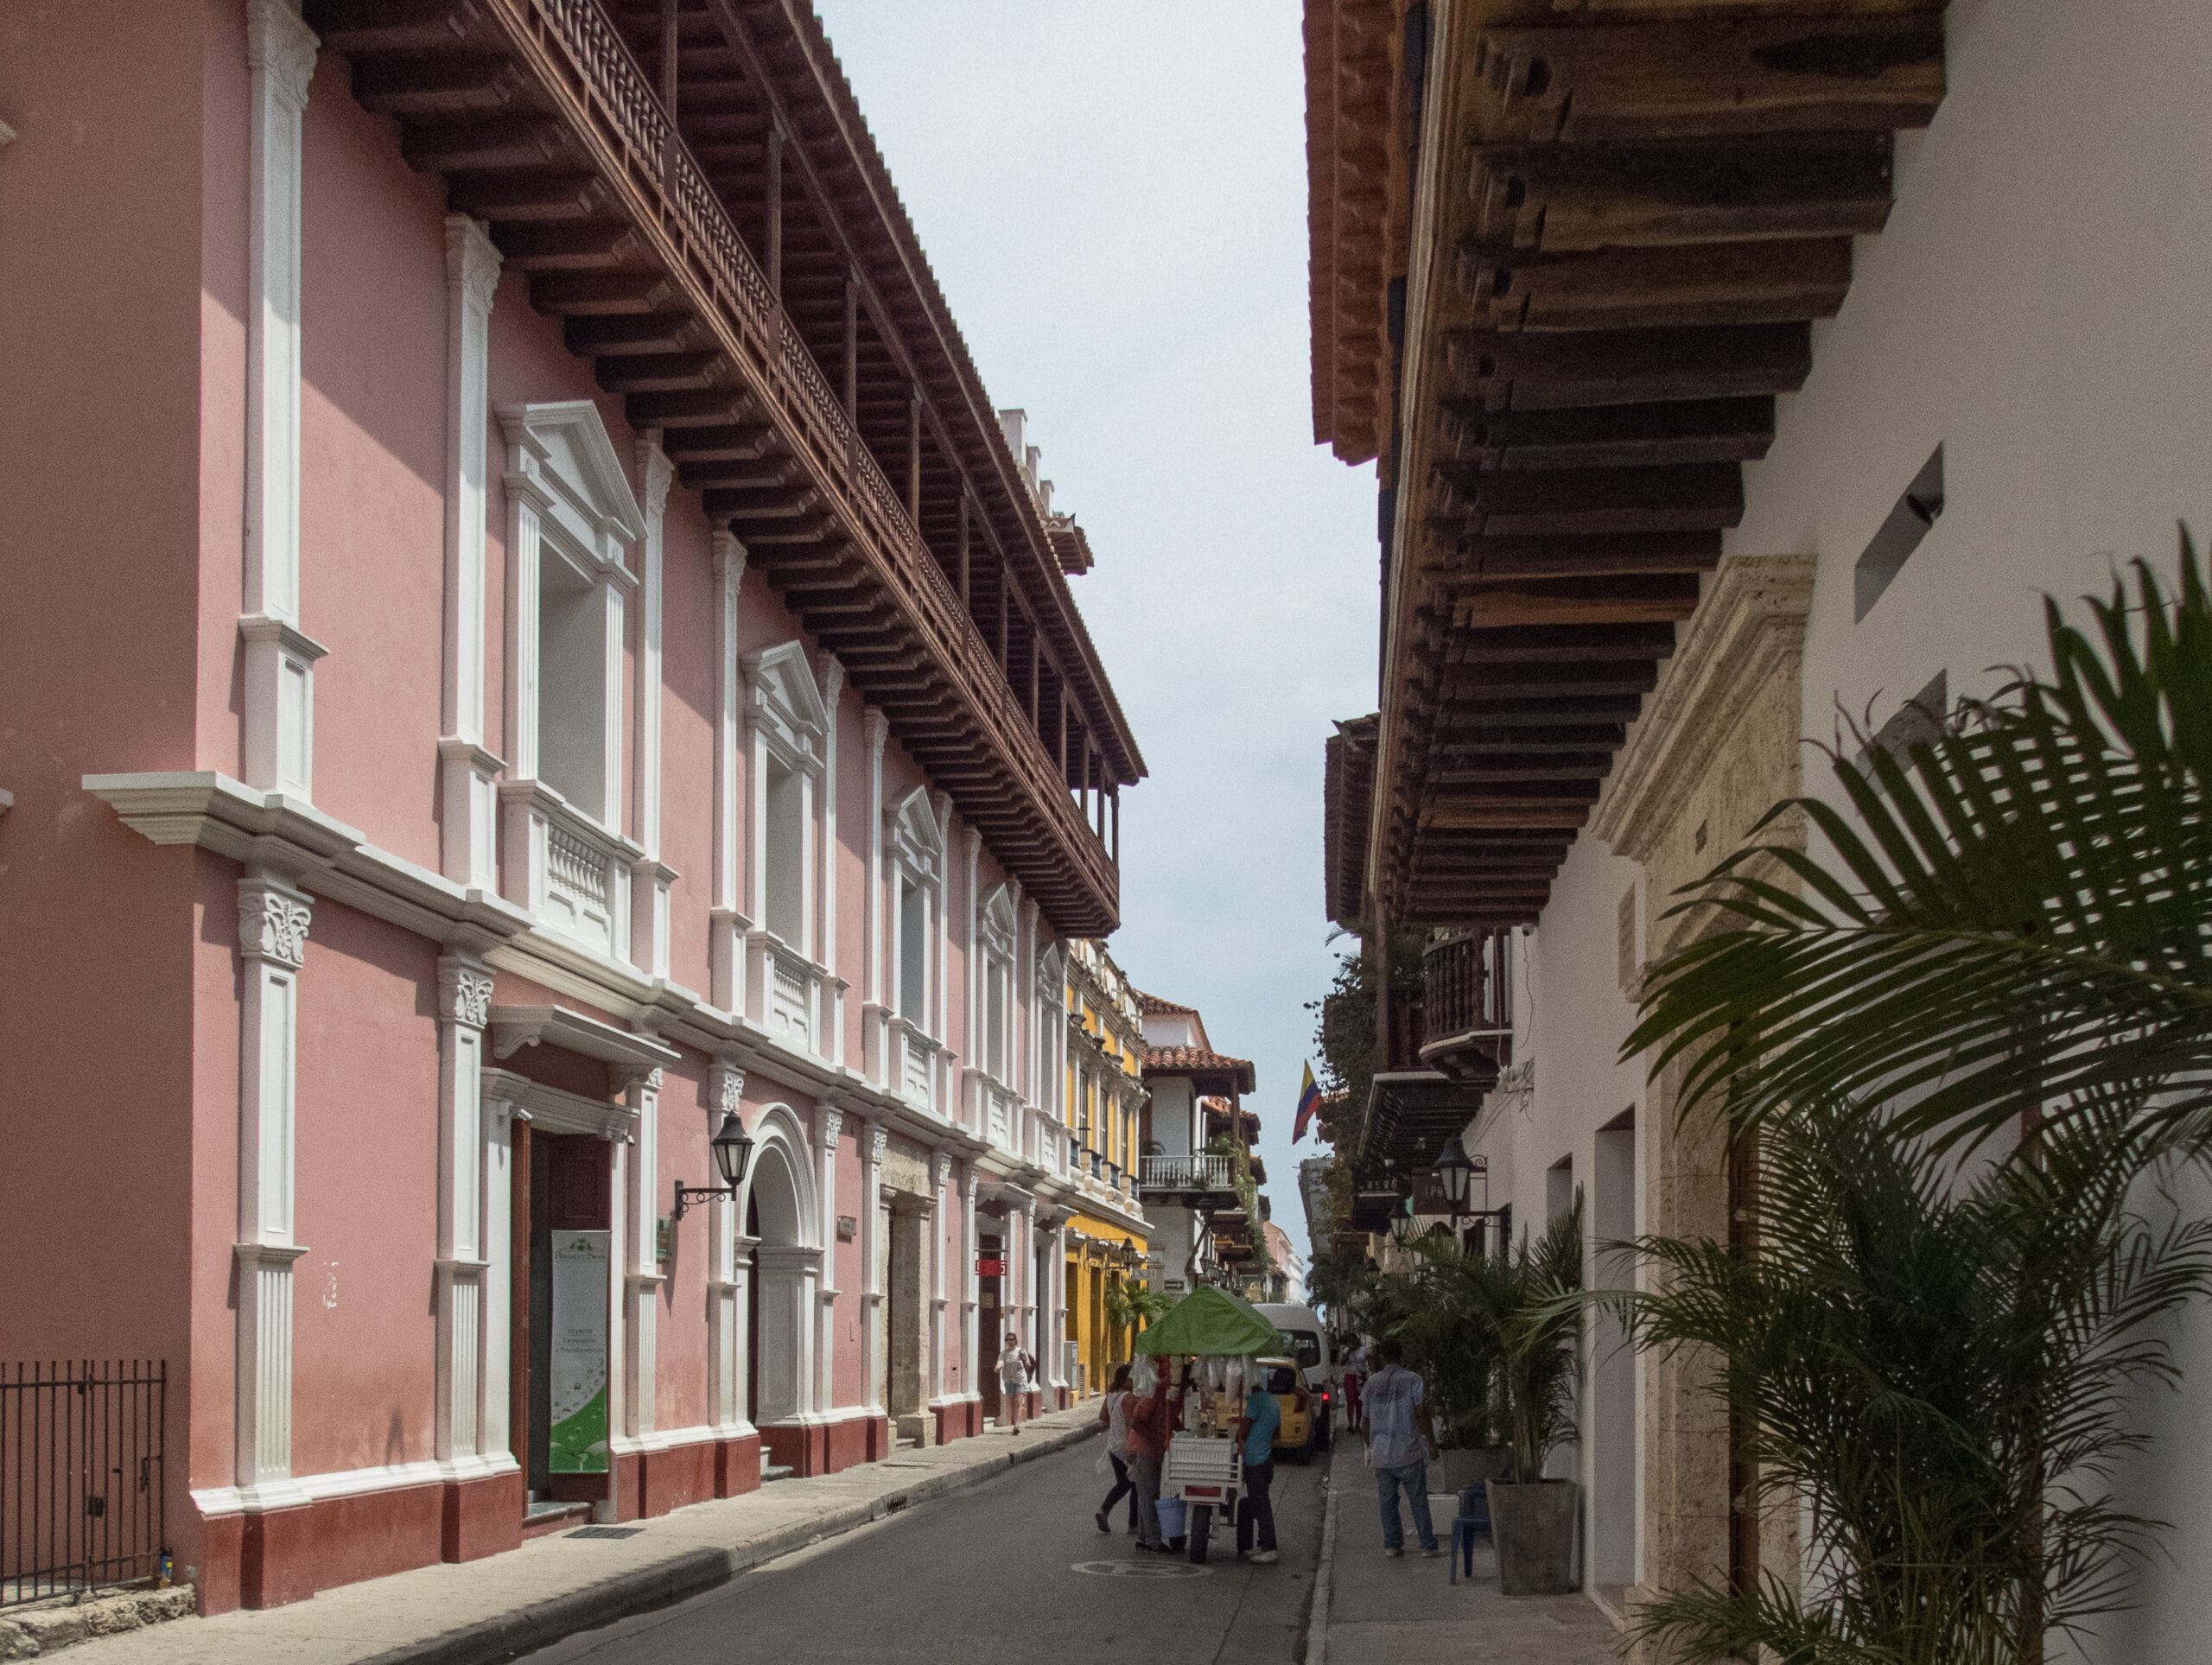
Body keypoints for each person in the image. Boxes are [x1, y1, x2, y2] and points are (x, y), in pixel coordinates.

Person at [1363, 1338, 1441, 1557]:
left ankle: (1392, 1545)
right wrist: (1432, 1444)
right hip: (1408, 1450)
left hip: (1381, 1453)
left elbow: (1365, 1421)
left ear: (1381, 1357)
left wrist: (1369, 1447)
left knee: (1387, 1502)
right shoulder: (1413, 1380)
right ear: (1401, 1355)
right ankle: (1427, 1545)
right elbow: (1420, 1414)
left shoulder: (1372, 1383)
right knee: (1418, 1500)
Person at [1234, 1363, 1286, 1564]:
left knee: (1261, 1503)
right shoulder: (1272, 1400)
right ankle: (1260, 1542)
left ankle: (1269, 1548)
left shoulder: (1255, 1401)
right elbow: (1277, 1432)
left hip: (1255, 1458)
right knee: (1255, 1501)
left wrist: (1236, 1442)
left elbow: (1244, 1429)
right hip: (1266, 1456)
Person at [1123, 1356, 1176, 1553]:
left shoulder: (1164, 1397)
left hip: (1151, 1450)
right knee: (1149, 1495)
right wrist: (1155, 1437)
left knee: (1147, 1494)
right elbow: (1136, 1422)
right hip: (1143, 1449)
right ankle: (1153, 1540)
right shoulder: (1153, 1394)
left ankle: (1144, 1538)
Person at [1095, 1364, 1138, 1534]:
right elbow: (1130, 1424)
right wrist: (1132, 1448)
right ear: (1125, 1379)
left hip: (1113, 1447)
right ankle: (1133, 1524)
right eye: (1133, 1376)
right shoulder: (1129, 1398)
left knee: (1123, 1483)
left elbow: (1102, 1417)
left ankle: (1104, 1511)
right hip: (1127, 1447)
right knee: (1135, 1485)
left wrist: (1115, 1426)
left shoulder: (1111, 1396)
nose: (1136, 1380)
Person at [997, 1331, 1035, 1434]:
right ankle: (1015, 1421)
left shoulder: (1021, 1352)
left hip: (1020, 1380)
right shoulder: (1003, 1354)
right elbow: (1000, 1364)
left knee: (1018, 1402)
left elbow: (1028, 1366)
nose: (1010, 1341)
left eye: (1012, 1339)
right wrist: (997, 1368)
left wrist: (1023, 1358)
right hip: (1009, 1380)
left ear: (1015, 1341)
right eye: (1007, 1340)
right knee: (1012, 1403)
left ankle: (1016, 1426)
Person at [1342, 1338, 1369, 1434]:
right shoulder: (1346, 1350)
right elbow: (1342, 1363)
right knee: (1350, 1400)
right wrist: (1348, 1351)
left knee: (1359, 1401)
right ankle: (1350, 1424)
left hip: (1361, 1377)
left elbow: (1370, 1361)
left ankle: (1358, 1424)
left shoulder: (1364, 1350)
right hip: (1350, 1376)